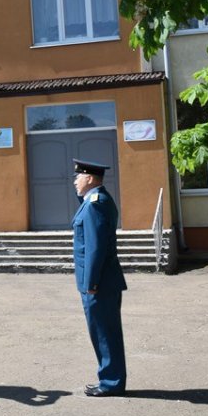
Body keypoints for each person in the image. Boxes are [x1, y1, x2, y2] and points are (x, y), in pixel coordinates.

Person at [72, 159, 128, 397]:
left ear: (90, 179)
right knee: (103, 332)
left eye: (78, 177)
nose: (75, 181)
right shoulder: (94, 201)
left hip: (99, 283)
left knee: (105, 333)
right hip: (100, 282)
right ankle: (109, 378)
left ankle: (111, 382)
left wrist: (91, 283)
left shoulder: (96, 204)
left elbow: (96, 247)